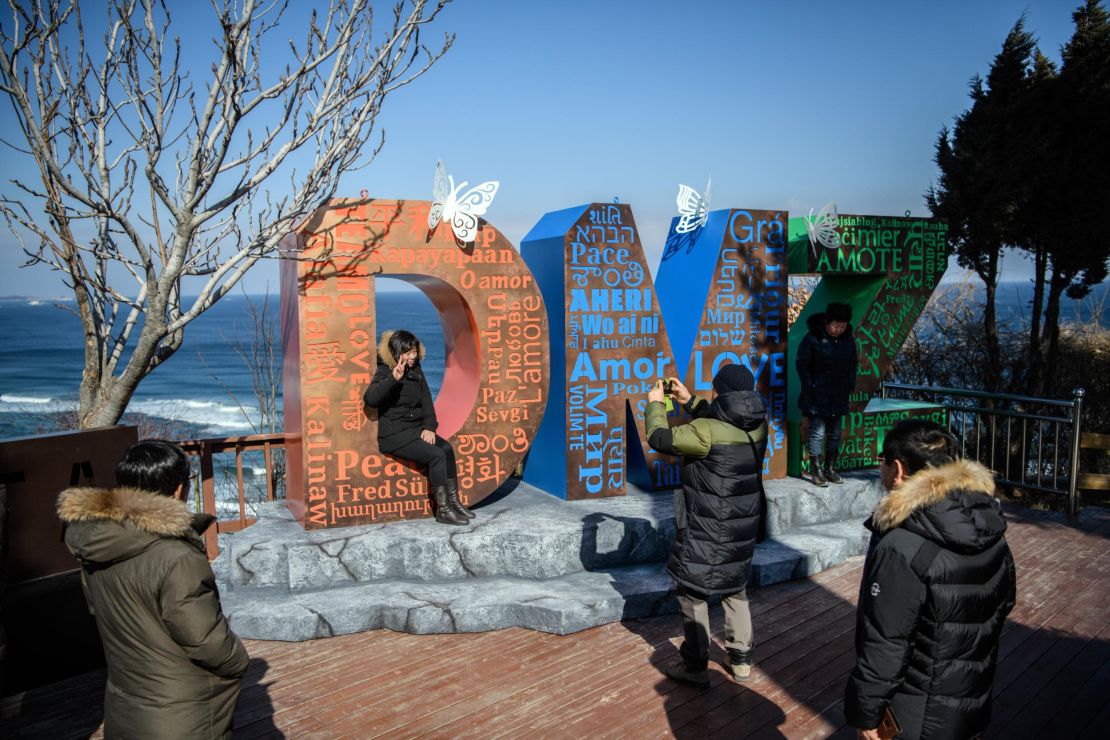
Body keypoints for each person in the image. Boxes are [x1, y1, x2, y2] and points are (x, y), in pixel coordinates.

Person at [57, 439, 249, 739]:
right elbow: (206, 641)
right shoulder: (178, 557)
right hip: (182, 711)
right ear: (177, 490)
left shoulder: (95, 546)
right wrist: (238, 659)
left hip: (126, 699)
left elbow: (96, 608)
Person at [845, 420, 1016, 740]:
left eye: (880, 460)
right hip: (970, 705)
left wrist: (866, 713)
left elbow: (886, 642)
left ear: (898, 469)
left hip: (914, 716)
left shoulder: (902, 545)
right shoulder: (990, 524)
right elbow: (1004, 601)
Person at [644, 363, 768, 687]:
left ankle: (696, 664)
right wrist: (690, 400)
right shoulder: (758, 424)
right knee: (734, 585)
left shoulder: (705, 433)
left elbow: (660, 438)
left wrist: (657, 404)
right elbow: (723, 416)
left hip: (706, 523)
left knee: (691, 589)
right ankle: (740, 660)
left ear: (718, 391)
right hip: (741, 523)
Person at [363, 329, 471, 526]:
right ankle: (443, 511)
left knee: (446, 449)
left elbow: (426, 399)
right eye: (408, 352)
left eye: (414, 351)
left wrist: (429, 427)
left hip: (415, 430)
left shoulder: (416, 369)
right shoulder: (386, 369)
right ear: (397, 352)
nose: (412, 356)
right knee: (435, 455)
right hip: (394, 435)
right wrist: (392, 380)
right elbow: (370, 399)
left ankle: (454, 502)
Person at [796, 301, 858, 487]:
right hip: (817, 395)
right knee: (817, 433)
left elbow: (853, 363)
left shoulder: (848, 339)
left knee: (835, 434)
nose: (839, 329)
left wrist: (849, 383)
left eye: (843, 326)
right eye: (835, 325)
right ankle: (817, 472)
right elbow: (802, 364)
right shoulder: (812, 337)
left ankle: (830, 468)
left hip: (839, 393)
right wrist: (811, 385)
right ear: (827, 321)